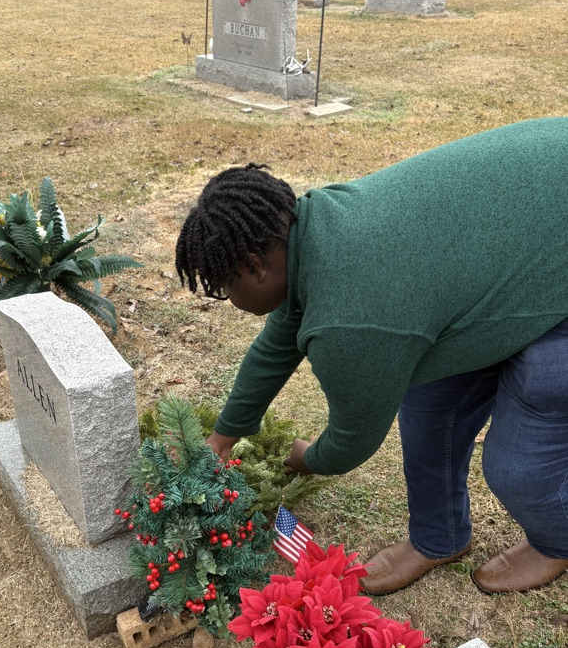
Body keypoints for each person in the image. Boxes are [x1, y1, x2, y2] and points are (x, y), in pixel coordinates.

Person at [174, 118, 568, 595]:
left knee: (519, 461)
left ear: (256, 267)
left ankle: (556, 540)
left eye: (223, 285)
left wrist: (305, 458)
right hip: (522, 228)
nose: (226, 297)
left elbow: (352, 439)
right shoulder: (310, 233)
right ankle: (439, 537)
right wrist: (224, 436)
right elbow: (275, 346)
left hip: (554, 251)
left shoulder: (351, 323)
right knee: (428, 399)